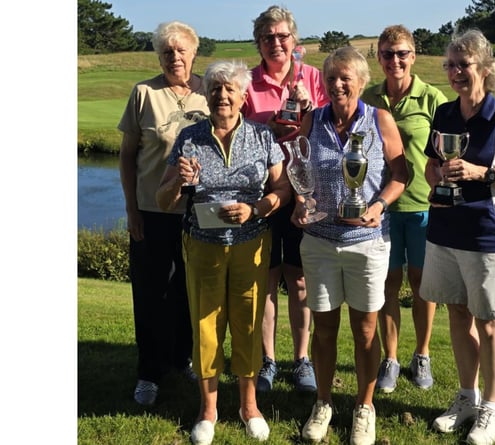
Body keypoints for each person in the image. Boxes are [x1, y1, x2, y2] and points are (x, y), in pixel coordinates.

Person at [155, 59, 292, 444]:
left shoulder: (264, 137)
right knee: (206, 326)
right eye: (216, 88)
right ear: (207, 94)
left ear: (243, 95)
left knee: (248, 324)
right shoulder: (190, 138)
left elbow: (282, 191)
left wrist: (257, 208)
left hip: (251, 243)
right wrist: (179, 184)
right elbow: (163, 199)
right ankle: (208, 410)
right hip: (202, 246)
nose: (223, 96)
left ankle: (249, 407)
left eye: (230, 88)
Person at [420, 29, 495, 445]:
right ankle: (466, 397)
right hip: (445, 228)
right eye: (450, 65)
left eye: (463, 65)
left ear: (485, 69)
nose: (454, 72)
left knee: (488, 324)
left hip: (488, 234)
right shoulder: (445, 114)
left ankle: (491, 407)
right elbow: (431, 167)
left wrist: (481, 173)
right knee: (456, 313)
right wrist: (439, 175)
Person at [292, 46, 408, 445]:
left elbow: (400, 174)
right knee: (324, 329)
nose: (337, 84)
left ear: (360, 82)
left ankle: (364, 406)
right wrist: (299, 202)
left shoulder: (380, 120)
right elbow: (299, 173)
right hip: (320, 242)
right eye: (331, 77)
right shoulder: (312, 119)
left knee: (365, 330)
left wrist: (378, 205)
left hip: (367, 243)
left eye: (346, 78)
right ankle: (323, 402)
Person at [118, 20, 208, 406]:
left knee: (190, 293)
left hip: (200, 212)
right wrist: (132, 209)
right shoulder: (144, 93)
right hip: (153, 210)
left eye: (181, 50)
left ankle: (181, 358)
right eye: (167, 51)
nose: (175, 57)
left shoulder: (209, 90)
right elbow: (126, 156)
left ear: (193, 53)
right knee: (152, 293)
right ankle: (149, 372)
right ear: (160, 55)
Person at [243, 4, 329, 393]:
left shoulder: (312, 77)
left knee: (299, 281)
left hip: (306, 193)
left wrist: (309, 113)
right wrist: (268, 126)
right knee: (266, 278)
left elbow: (332, 127)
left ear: (294, 41)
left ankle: (302, 359)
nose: (276, 43)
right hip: (262, 192)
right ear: (258, 43)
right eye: (268, 37)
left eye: (282, 36)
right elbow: (236, 130)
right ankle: (267, 361)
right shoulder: (246, 82)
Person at [361, 24, 447, 393]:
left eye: (401, 53)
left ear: (413, 56)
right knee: (387, 285)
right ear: (378, 57)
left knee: (422, 285)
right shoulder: (368, 97)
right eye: (387, 54)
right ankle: (391, 358)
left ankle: (422, 354)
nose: (394, 60)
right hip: (379, 206)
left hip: (423, 205)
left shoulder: (432, 98)